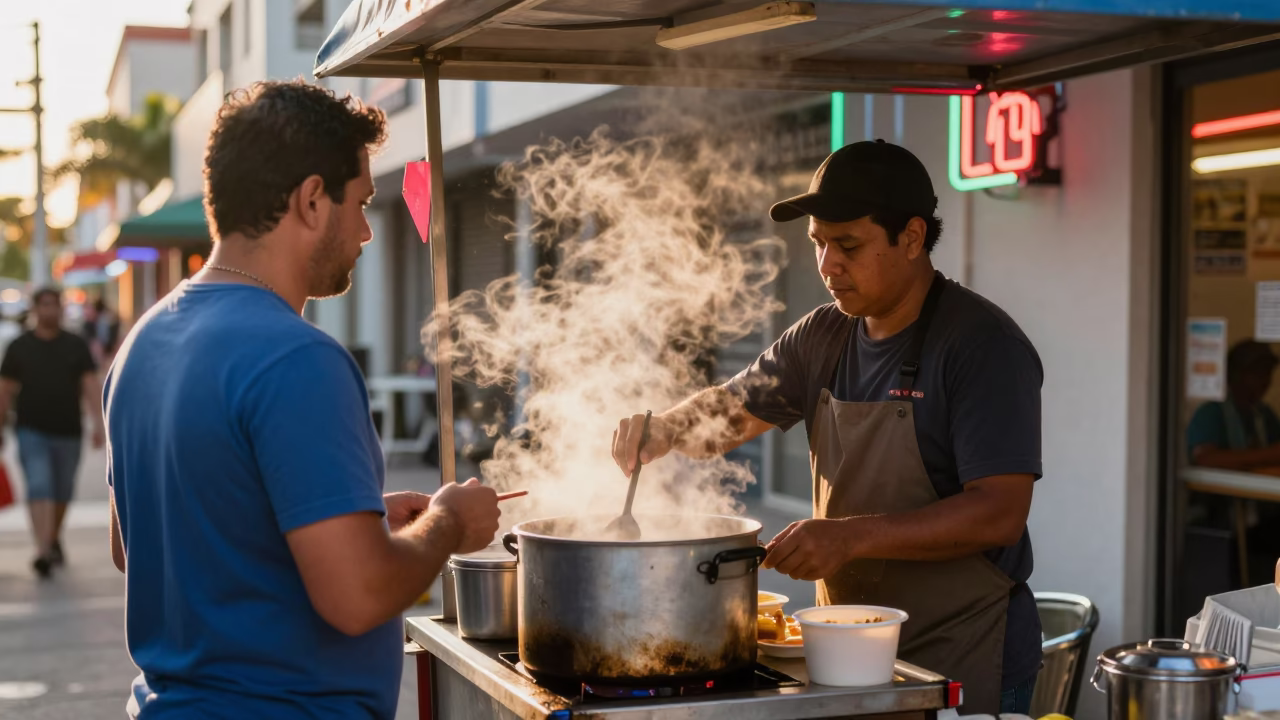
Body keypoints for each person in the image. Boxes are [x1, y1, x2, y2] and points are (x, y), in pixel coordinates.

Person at [104, 80, 502, 719]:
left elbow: (141, 548)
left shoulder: (143, 343)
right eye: (363, 203)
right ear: (313, 200)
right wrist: (448, 523)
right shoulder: (298, 359)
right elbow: (359, 595)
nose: (368, 233)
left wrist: (353, 520)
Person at [613, 140, 1043, 715]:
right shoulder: (822, 335)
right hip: (848, 655)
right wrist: (665, 427)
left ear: (912, 238)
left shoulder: (981, 346)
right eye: (818, 243)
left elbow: (999, 512)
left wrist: (848, 536)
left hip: (963, 652)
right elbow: (726, 417)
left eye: (848, 245)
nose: (827, 265)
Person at [0, 287, 102, 578]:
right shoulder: (19, 347)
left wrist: (98, 423)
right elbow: (5, 390)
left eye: (54, 305)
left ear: (61, 308)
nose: (50, 311)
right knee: (39, 486)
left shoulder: (75, 345)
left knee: (62, 492)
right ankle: (43, 550)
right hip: (31, 430)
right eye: (44, 305)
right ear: (34, 310)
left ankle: (52, 537)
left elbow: (90, 385)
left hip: (69, 431)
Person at [1187, 339, 1280, 469]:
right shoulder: (1211, 412)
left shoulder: (1263, 413)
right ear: (1235, 374)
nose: (1265, 380)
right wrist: (1267, 455)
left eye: (1267, 373)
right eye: (1257, 373)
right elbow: (1205, 459)